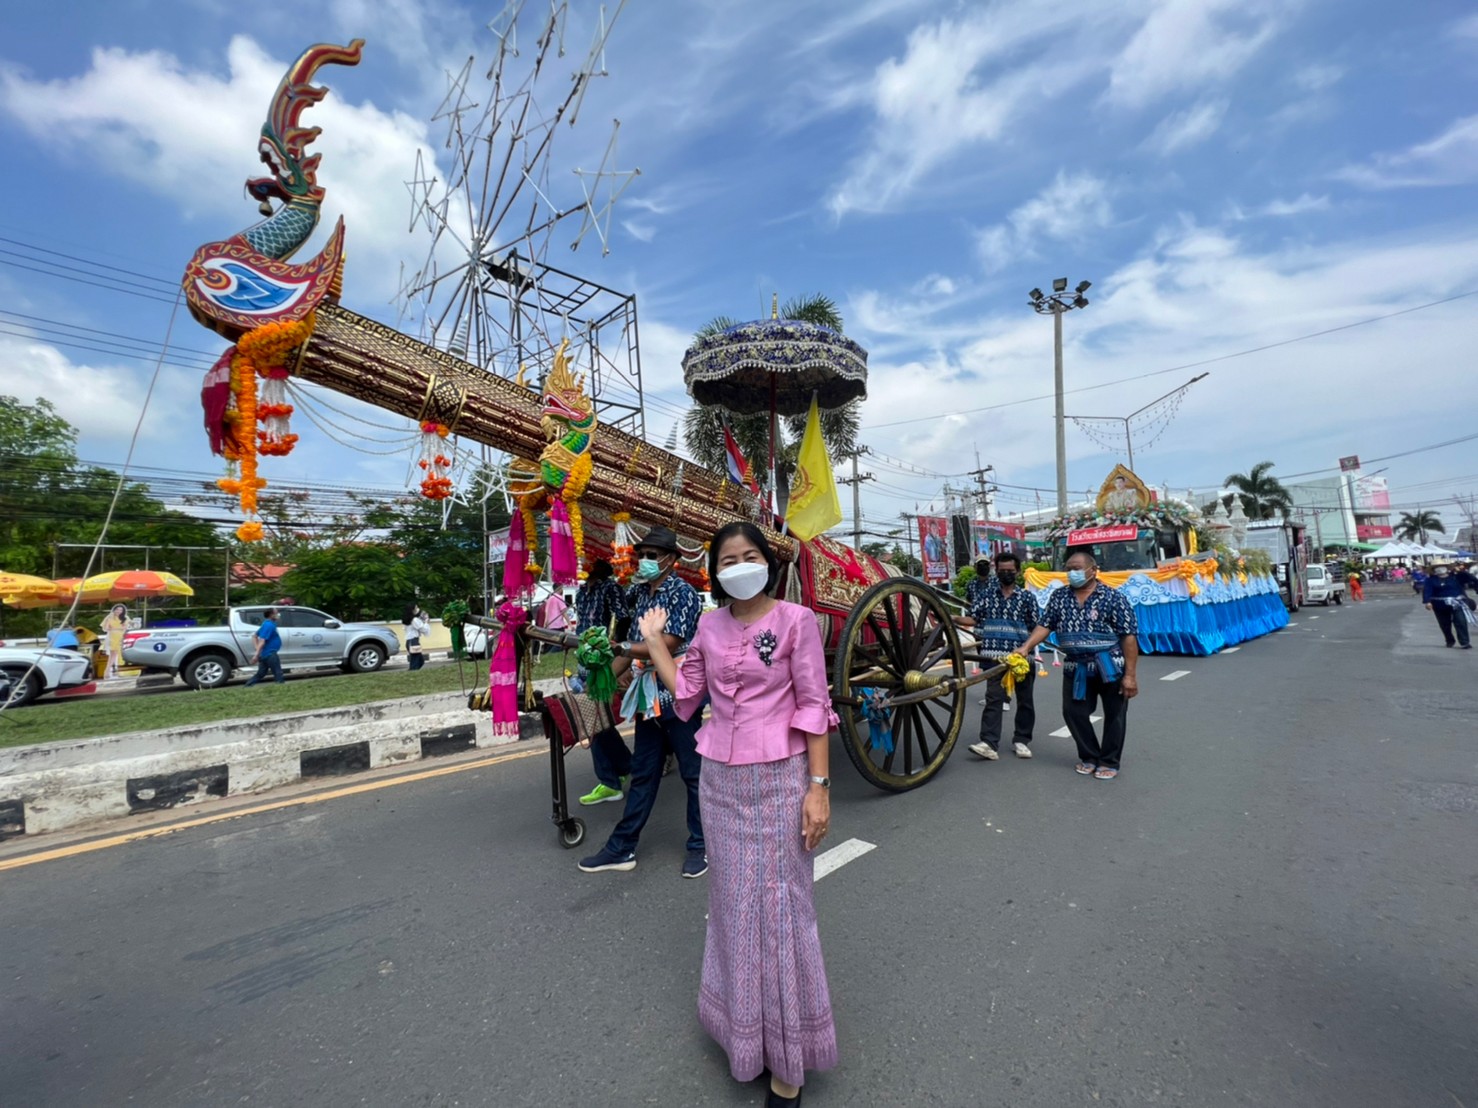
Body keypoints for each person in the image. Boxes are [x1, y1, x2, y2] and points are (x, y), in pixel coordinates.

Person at [638, 520, 837, 1107]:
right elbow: (688, 694)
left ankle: (790, 1062)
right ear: (717, 571)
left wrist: (819, 787)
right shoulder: (707, 623)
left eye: (751, 555)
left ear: (767, 562)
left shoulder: (796, 622)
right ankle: (747, 1041)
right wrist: (654, 643)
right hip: (720, 782)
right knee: (732, 904)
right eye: (730, 559)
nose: (741, 565)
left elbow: (813, 705)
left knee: (780, 904)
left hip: (782, 777)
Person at [577, 526, 705, 877]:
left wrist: (618, 650)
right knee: (644, 774)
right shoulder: (641, 594)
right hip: (649, 696)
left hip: (678, 692)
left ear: (671, 560)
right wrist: (599, 682)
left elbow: (668, 644)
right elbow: (631, 643)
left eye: (652, 555)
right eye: (642, 555)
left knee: (693, 774)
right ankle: (622, 848)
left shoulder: (685, 593)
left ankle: (700, 846)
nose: (644, 561)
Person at [1016, 549, 1139, 780]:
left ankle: (1109, 761)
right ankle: (1090, 756)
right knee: (1073, 712)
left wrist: (1130, 675)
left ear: (1093, 570)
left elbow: (1129, 636)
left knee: (1115, 715)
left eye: (1077, 568)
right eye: (1069, 569)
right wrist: (1025, 646)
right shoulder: (1059, 597)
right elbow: (1045, 625)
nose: (1072, 573)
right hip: (1075, 667)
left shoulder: (1113, 597)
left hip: (1110, 665)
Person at [954, 550, 1039, 761]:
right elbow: (974, 619)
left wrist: (1027, 647)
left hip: (1021, 659)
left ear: (1017, 572)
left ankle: (1021, 740)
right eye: (1002, 571)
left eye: (1010, 571)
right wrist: (951, 617)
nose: (1006, 574)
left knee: (1025, 701)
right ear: (996, 572)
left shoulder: (1027, 598)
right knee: (994, 700)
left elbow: (1038, 626)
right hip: (994, 657)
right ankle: (989, 743)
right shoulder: (987, 596)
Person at [574, 560, 634, 807]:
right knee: (599, 720)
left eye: (589, 558)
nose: (584, 561)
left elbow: (623, 620)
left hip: (605, 662)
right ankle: (626, 765)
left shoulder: (610, 588)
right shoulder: (580, 591)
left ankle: (610, 782)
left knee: (594, 718)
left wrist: (616, 660)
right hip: (584, 659)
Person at [1422, 563, 1473, 649]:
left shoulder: (1456, 577)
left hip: (1457, 603)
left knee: (1461, 621)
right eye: (1437, 567)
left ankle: (1465, 642)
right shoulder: (1430, 580)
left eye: (1442, 567)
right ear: (1434, 570)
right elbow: (1427, 591)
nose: (1440, 569)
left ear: (1446, 568)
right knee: (1444, 624)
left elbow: (1470, 578)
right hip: (1439, 604)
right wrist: (1427, 601)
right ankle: (1449, 640)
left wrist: (1460, 571)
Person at [244, 607, 285, 685]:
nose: (278, 614)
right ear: (271, 615)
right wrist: (256, 655)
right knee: (278, 672)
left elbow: (254, 636)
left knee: (261, 673)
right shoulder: (269, 625)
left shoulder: (267, 623)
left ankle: (248, 685)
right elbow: (262, 641)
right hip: (270, 654)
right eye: (276, 613)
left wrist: (258, 650)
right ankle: (281, 686)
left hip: (265, 654)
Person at [100, 604, 130, 678]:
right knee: (112, 655)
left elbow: (125, 628)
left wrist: (115, 628)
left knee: (121, 655)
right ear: (114, 610)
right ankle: (107, 671)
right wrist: (110, 624)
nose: (119, 611)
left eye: (121, 610)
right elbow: (105, 629)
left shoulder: (125, 618)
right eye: (117, 609)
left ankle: (119, 671)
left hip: (121, 637)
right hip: (112, 637)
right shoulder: (109, 617)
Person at [403, 603, 431, 671]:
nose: (417, 609)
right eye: (416, 608)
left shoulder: (407, 619)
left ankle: (413, 671)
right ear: (412, 610)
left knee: (419, 660)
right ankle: (413, 672)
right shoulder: (414, 620)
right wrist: (426, 622)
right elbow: (422, 628)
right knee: (416, 661)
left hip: (410, 641)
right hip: (413, 641)